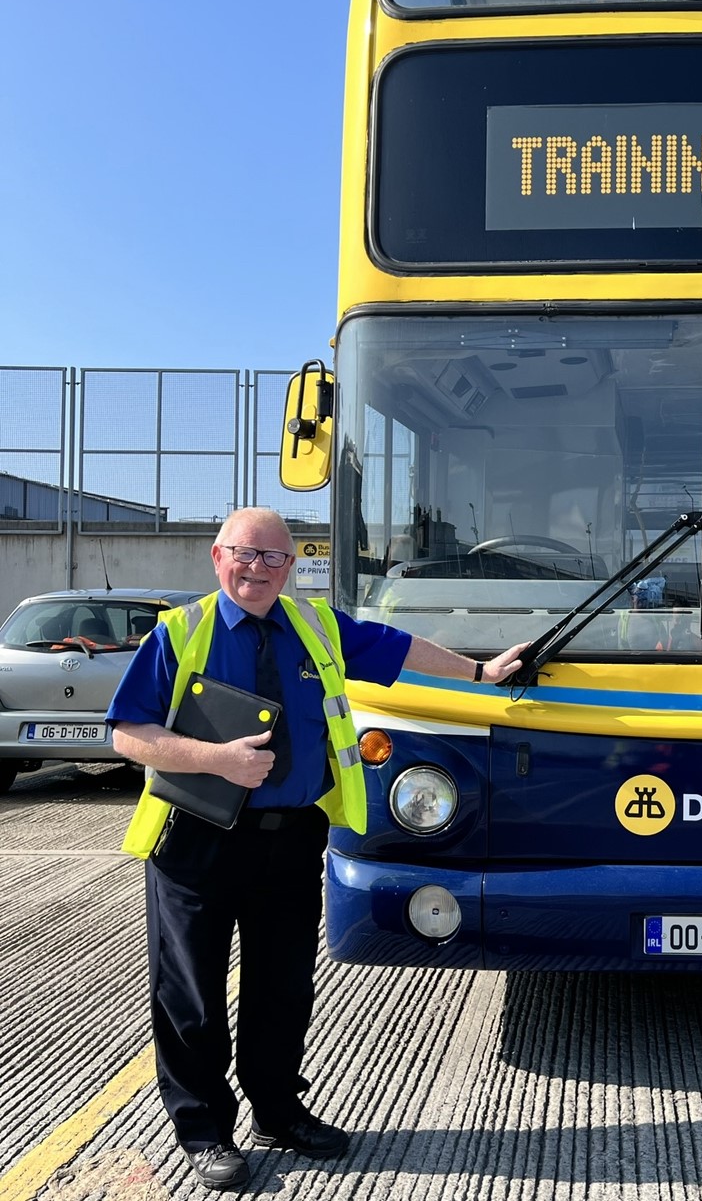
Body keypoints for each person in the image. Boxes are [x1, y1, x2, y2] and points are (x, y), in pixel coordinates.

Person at [109, 507, 526, 1191]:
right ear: (218, 558)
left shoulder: (317, 625)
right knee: (191, 996)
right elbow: (128, 734)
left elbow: (396, 647)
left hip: (292, 839)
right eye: (246, 554)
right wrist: (215, 759)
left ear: (291, 567)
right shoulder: (179, 633)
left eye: (275, 558)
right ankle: (205, 1131)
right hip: (197, 844)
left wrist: (478, 672)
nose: (259, 569)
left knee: (283, 990)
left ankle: (277, 1112)